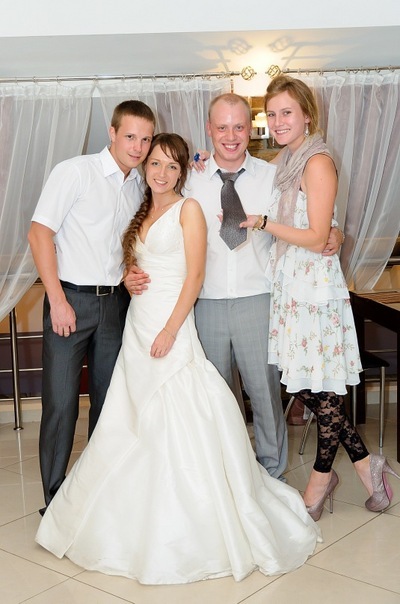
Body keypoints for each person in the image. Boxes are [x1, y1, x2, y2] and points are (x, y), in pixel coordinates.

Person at [35, 133, 321, 584]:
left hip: (171, 323)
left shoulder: (188, 209)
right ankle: (125, 507)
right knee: (128, 412)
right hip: (138, 324)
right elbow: (121, 257)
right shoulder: (139, 207)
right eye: (155, 163)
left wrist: (171, 329)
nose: (162, 172)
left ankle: (190, 513)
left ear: (183, 171)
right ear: (144, 168)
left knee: (181, 409)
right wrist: (127, 275)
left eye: (172, 165)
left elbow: (196, 274)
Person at [126, 93, 342, 481]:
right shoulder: (188, 177)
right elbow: (150, 220)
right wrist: (129, 267)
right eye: (222, 127)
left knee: (265, 395)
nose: (230, 135)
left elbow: (312, 214)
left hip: (258, 299)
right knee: (217, 398)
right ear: (208, 129)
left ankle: (272, 475)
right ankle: (231, 476)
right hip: (204, 302)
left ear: (250, 130)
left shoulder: (273, 175)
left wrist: (336, 233)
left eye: (239, 127)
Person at [240, 75, 400, 520]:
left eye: (286, 112)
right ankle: (367, 465)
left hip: (313, 288)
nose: (277, 121)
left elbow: (314, 236)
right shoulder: (288, 160)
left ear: (307, 115)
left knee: (318, 387)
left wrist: (264, 223)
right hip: (293, 284)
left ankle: (320, 478)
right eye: (272, 114)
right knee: (308, 386)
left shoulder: (316, 161)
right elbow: (316, 222)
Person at [28, 100, 156, 514]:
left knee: (108, 403)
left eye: (146, 139)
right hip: (70, 301)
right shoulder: (75, 172)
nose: (138, 147)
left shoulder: (140, 185)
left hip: (115, 305)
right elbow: (38, 234)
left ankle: (96, 492)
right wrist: (57, 300)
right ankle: (54, 500)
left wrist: (129, 272)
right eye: (130, 136)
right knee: (61, 404)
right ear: (112, 133)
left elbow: (124, 245)